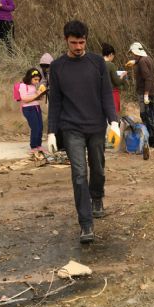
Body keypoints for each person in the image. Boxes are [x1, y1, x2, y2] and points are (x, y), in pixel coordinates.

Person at [46, 20, 120, 243]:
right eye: (73, 42)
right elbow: (56, 102)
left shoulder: (97, 63)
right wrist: (51, 132)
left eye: (82, 42)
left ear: (86, 40)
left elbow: (106, 94)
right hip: (71, 128)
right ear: (65, 40)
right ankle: (86, 224)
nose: (78, 47)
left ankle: (97, 197)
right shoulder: (58, 67)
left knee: (98, 168)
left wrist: (113, 122)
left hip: (96, 126)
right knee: (79, 175)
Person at [18, 68, 47, 153]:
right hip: (28, 109)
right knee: (35, 128)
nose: (37, 81)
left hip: (36, 107)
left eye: (38, 80)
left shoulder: (33, 86)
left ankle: (39, 145)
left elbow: (34, 98)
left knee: (40, 127)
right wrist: (36, 96)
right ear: (29, 77)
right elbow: (24, 99)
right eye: (35, 79)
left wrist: (40, 95)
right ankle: (33, 146)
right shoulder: (23, 86)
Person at [126, 42, 154, 117]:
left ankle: (146, 128)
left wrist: (146, 94)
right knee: (151, 114)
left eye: (133, 53)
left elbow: (148, 78)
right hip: (151, 90)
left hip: (144, 91)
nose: (132, 55)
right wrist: (135, 62)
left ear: (136, 52)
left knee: (144, 114)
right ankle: (150, 128)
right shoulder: (148, 58)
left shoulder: (142, 62)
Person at [101, 43, 127, 114]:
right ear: (111, 54)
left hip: (101, 93)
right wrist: (122, 75)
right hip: (112, 93)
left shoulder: (98, 63)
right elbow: (117, 82)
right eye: (113, 56)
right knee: (113, 114)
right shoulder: (110, 65)